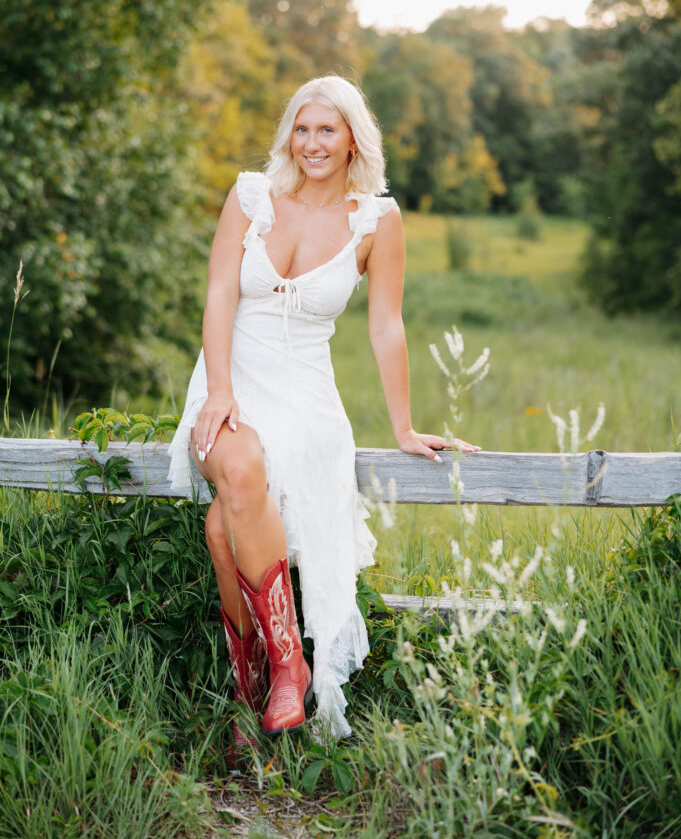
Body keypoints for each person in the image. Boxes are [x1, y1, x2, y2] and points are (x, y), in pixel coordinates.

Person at [167, 75, 479, 746]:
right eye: (301, 129)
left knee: (225, 528)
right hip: (230, 378)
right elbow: (220, 294)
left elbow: (386, 326)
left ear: (350, 140)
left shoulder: (377, 220)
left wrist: (401, 425)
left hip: (307, 398)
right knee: (241, 467)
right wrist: (219, 390)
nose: (310, 143)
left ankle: (244, 694)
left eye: (325, 131)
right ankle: (288, 665)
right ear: (289, 134)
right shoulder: (251, 197)